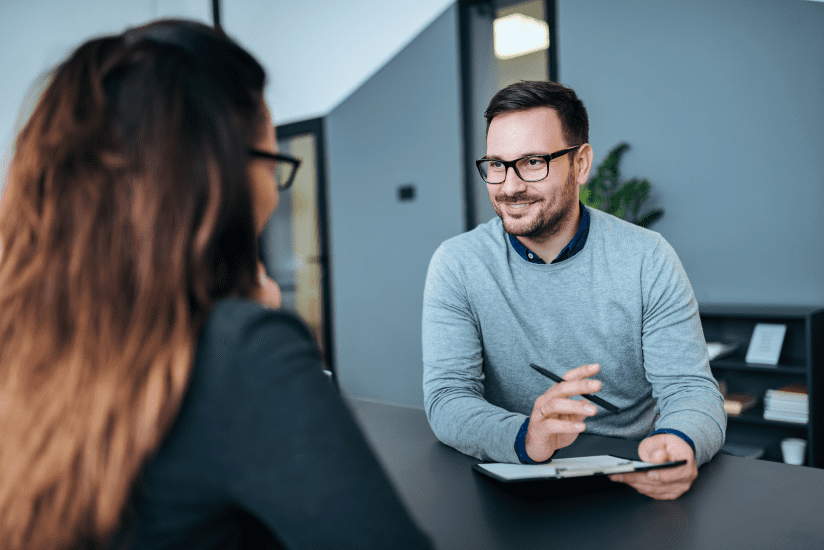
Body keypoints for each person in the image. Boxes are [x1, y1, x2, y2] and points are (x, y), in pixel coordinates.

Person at [0, 20, 434, 550]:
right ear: (217, 174)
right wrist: (259, 330)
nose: (274, 193)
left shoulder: (24, 342)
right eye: (274, 162)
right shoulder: (240, 353)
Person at [422, 80, 726, 501]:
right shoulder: (457, 263)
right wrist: (527, 434)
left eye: (532, 162)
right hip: (514, 478)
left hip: (631, 475)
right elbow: (448, 398)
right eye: (496, 164)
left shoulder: (647, 257)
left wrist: (679, 440)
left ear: (581, 164)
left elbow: (690, 389)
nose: (509, 186)